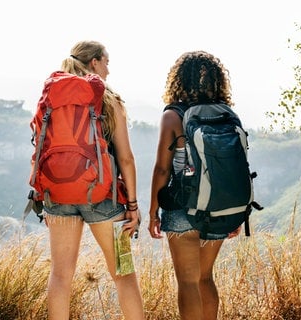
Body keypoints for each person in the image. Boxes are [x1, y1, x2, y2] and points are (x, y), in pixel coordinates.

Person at [44, 41, 144, 320]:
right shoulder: (109, 100)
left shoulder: (53, 96)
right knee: (124, 274)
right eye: (107, 63)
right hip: (104, 198)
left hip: (58, 195)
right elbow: (126, 159)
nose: (109, 71)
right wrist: (133, 206)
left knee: (60, 276)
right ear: (95, 62)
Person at [148, 50, 240, 320]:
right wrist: (234, 211)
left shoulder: (173, 116)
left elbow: (162, 168)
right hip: (220, 205)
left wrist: (154, 210)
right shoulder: (227, 115)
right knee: (205, 278)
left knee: (188, 282)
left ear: (178, 80)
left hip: (182, 208)